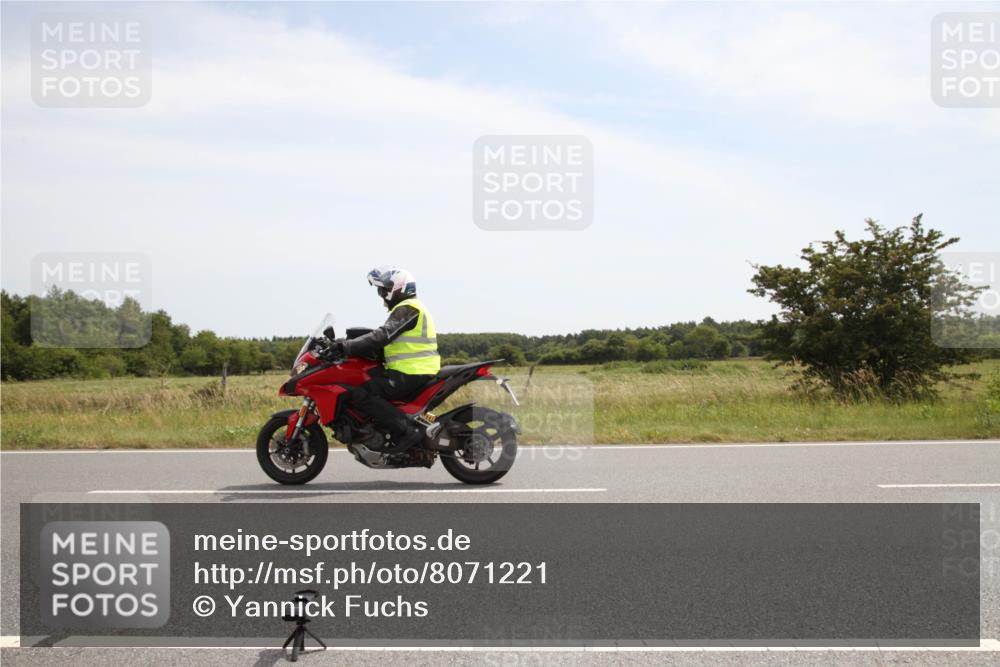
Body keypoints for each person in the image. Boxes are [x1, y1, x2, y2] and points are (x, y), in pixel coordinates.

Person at [330, 267, 440, 453]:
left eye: (384, 290)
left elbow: (382, 335)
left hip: (413, 371)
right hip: (408, 370)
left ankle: (408, 431)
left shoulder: (409, 309)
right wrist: (345, 342)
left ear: (397, 289)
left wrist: (345, 347)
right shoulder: (408, 308)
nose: (382, 295)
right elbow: (385, 339)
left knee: (363, 393)